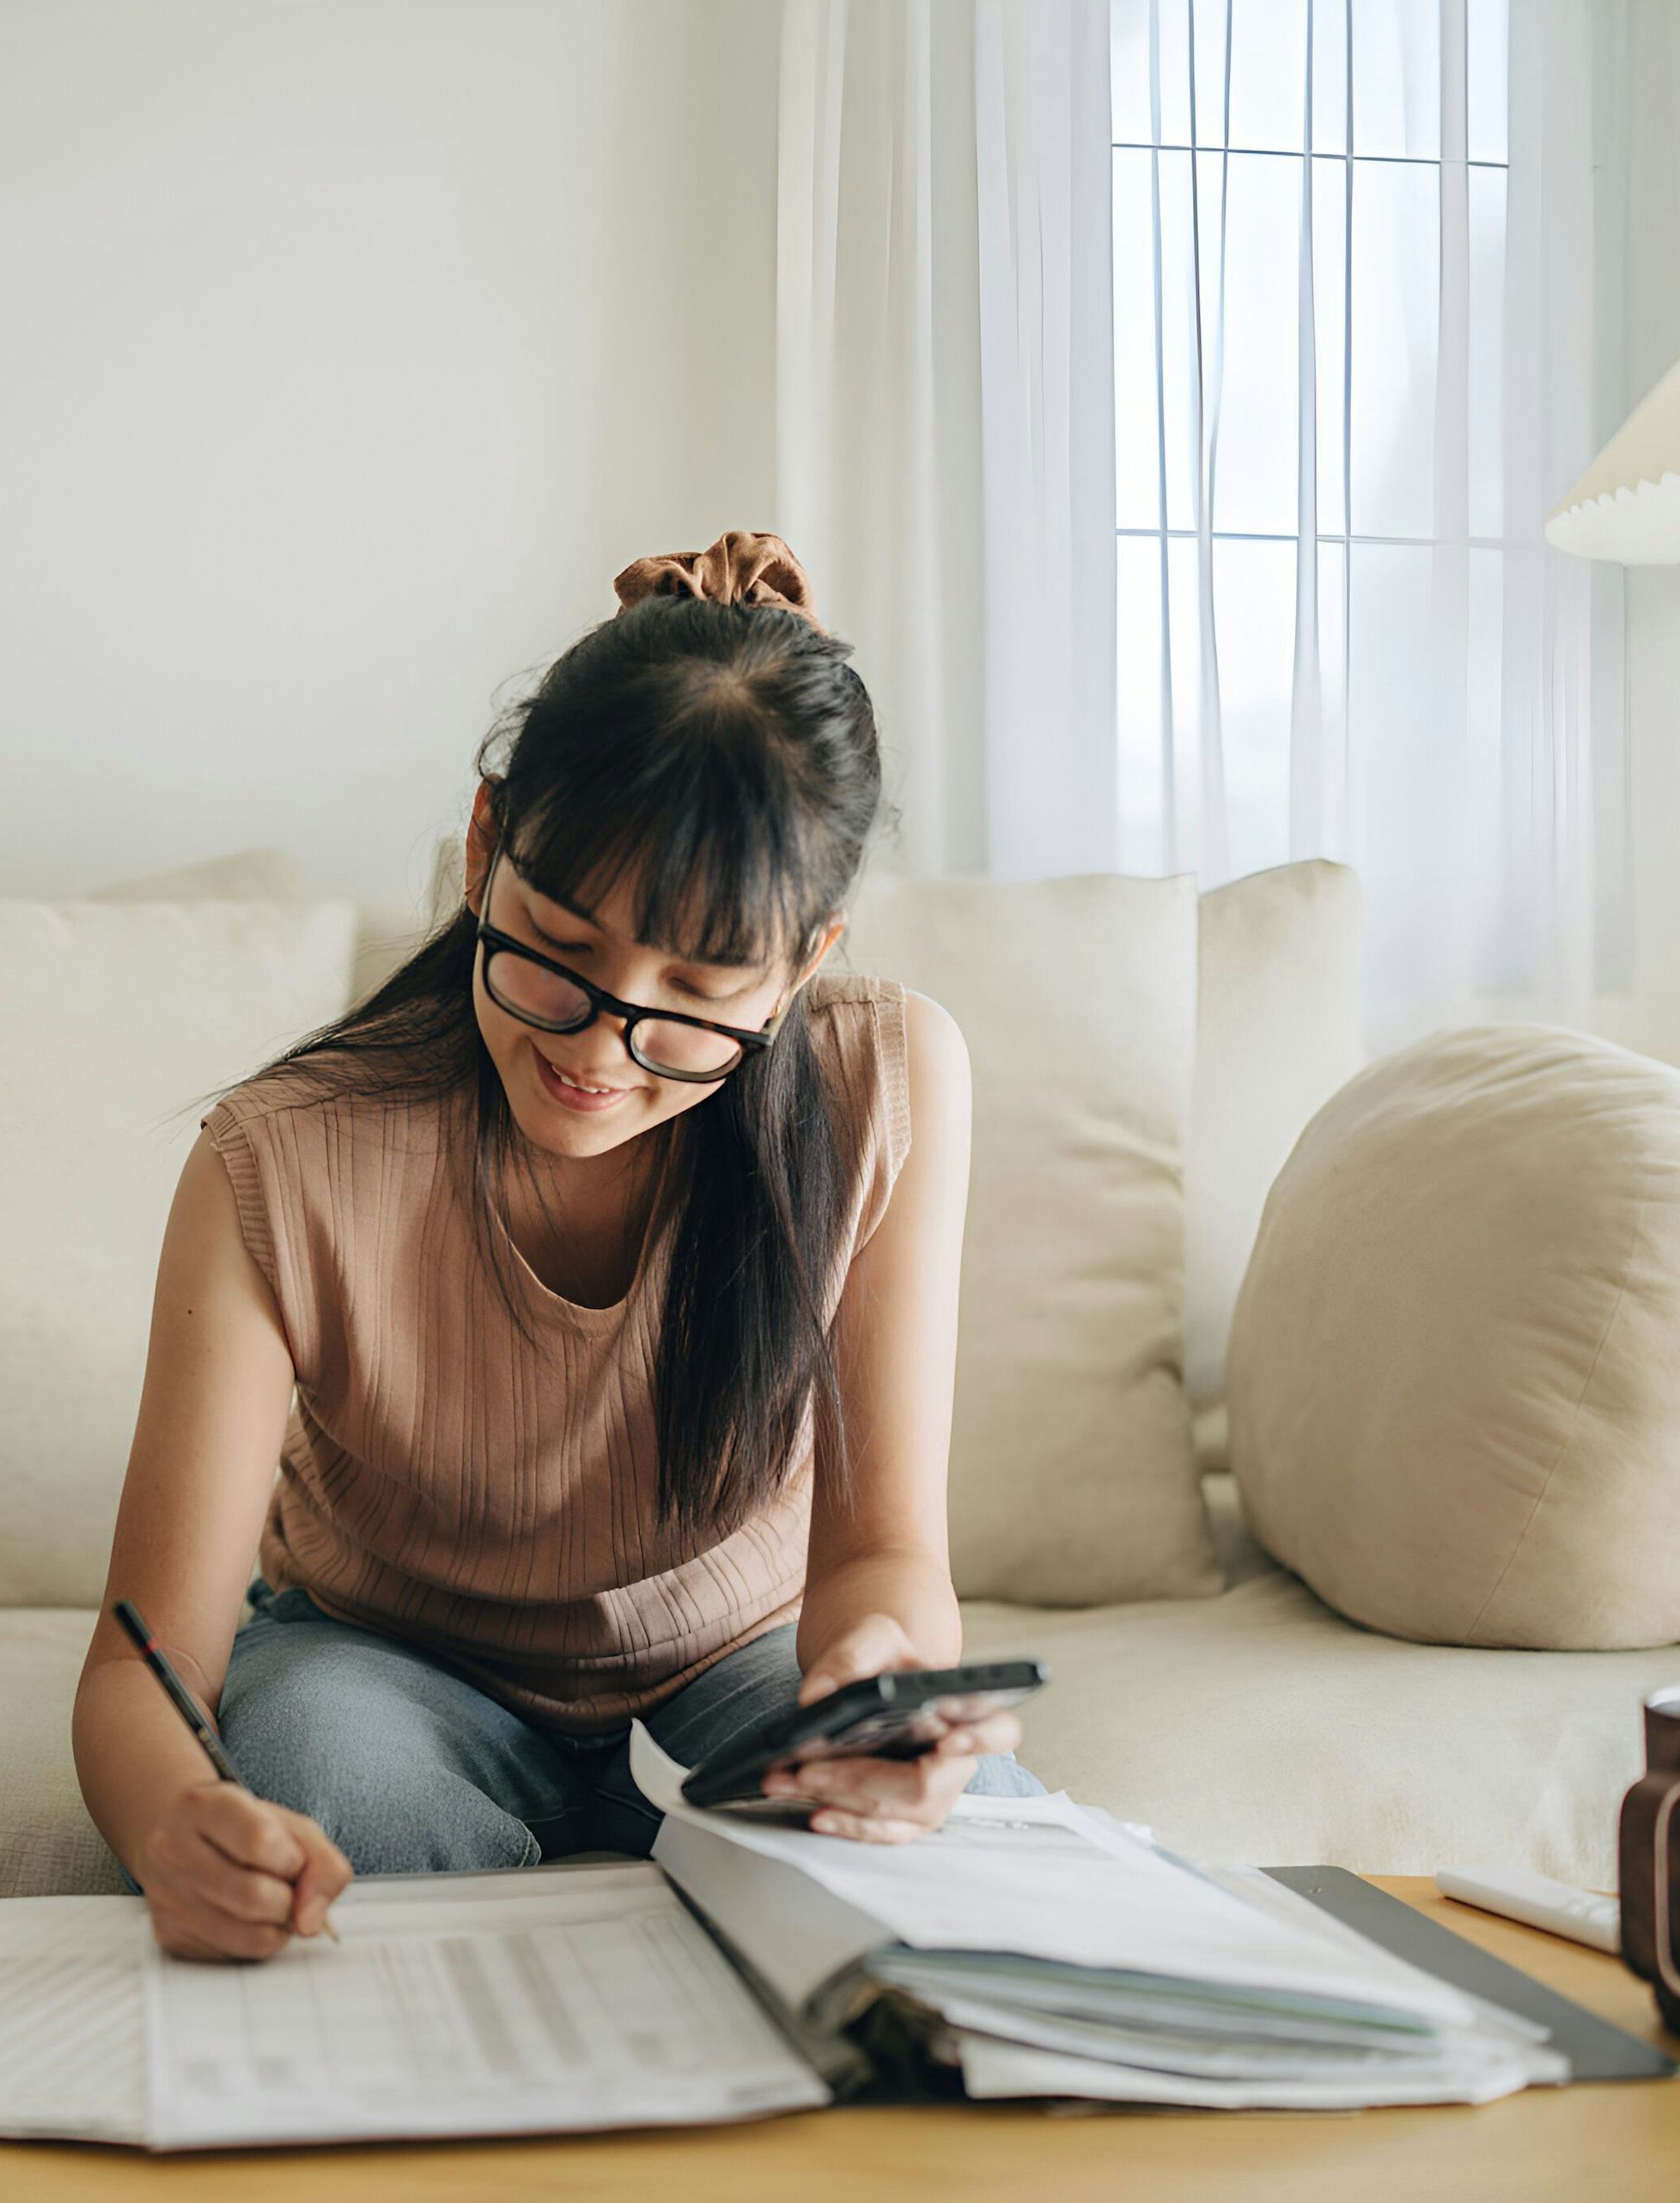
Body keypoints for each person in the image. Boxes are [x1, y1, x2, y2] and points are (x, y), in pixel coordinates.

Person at [70, 532, 1032, 1963]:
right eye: (553, 951)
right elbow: (142, 1667)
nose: (598, 1050)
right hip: (377, 1653)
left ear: (804, 962)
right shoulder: (281, 1159)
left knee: (948, 1855)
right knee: (339, 1794)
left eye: (696, 997)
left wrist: (881, 1678)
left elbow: (885, 1554)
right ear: (483, 846)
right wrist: (170, 1825)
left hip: (741, 1652)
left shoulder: (884, 1076)